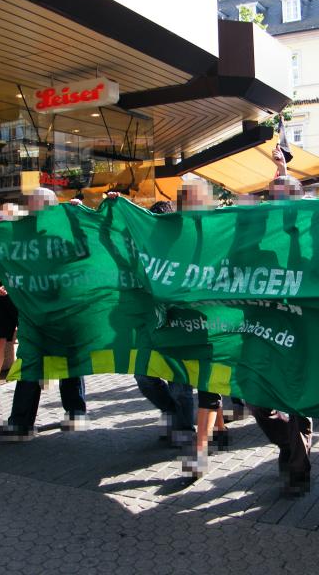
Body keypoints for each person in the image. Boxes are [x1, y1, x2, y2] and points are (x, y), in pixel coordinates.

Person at [0, 187, 87, 441]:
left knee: (69, 362)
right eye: (29, 204)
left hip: (65, 309)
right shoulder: (23, 234)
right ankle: (21, 424)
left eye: (35, 204)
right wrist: (9, 284)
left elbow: (86, 251)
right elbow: (16, 264)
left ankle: (76, 411)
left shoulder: (64, 230)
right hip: (34, 314)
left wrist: (77, 217)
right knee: (31, 362)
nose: (31, 208)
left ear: (50, 206)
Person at [245, 145, 313, 497]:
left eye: (286, 194)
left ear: (299, 198)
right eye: (274, 195)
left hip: (300, 331)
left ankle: (298, 470)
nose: (279, 200)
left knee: (297, 403)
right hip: (261, 330)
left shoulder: (315, 230)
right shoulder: (261, 230)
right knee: (257, 400)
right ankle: (287, 445)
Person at [178, 177, 229, 478]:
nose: (192, 204)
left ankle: (199, 452)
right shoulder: (173, 230)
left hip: (218, 320)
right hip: (186, 319)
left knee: (208, 383)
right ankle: (220, 428)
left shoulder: (223, 227)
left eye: (197, 198)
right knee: (201, 378)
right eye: (187, 199)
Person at [133, 200, 196, 447]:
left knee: (180, 383)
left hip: (181, 325)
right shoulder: (142, 248)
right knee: (144, 377)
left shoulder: (186, 247)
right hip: (152, 325)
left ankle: (184, 427)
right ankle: (171, 412)